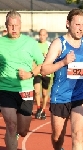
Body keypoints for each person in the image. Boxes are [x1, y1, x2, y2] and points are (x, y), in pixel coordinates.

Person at [41, 8, 83, 150]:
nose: (81, 29)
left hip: (80, 95)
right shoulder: (58, 44)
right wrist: (63, 62)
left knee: (78, 135)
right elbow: (44, 69)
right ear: (68, 24)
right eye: (77, 25)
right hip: (60, 96)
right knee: (57, 137)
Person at [0, 10, 44, 150]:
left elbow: (42, 63)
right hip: (5, 89)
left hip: (25, 90)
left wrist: (30, 74)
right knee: (11, 125)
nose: (14, 29)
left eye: (16, 25)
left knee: (22, 131)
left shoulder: (30, 43)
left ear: (21, 25)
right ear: (6, 25)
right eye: (11, 25)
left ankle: (12, 135)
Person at [34, 29, 51, 120]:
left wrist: (47, 56)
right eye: (40, 35)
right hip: (37, 70)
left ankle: (43, 109)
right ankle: (38, 108)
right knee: (36, 91)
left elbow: (54, 57)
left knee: (44, 93)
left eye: (43, 35)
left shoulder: (49, 45)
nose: (42, 36)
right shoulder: (35, 45)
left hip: (46, 71)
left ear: (46, 35)